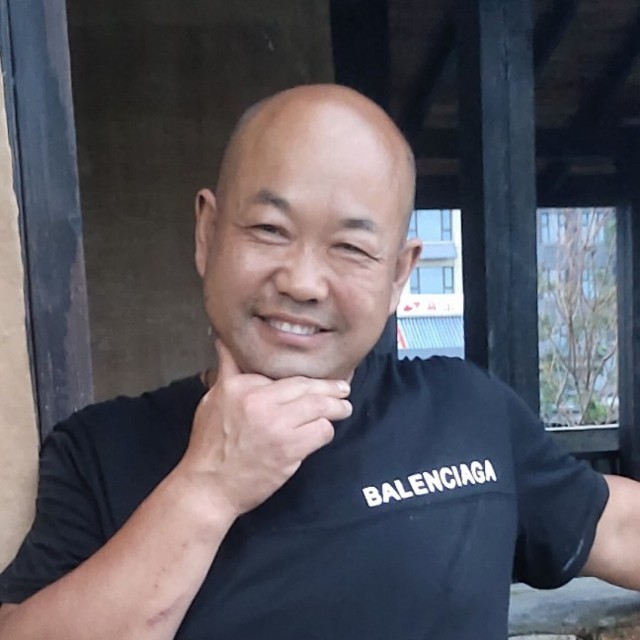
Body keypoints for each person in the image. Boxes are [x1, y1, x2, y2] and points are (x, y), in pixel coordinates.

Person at [0, 84, 639, 640]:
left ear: (399, 274)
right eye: (269, 230)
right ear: (207, 233)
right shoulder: (100, 451)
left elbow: (615, 527)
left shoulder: (466, 410)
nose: (303, 282)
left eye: (351, 248)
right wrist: (207, 488)